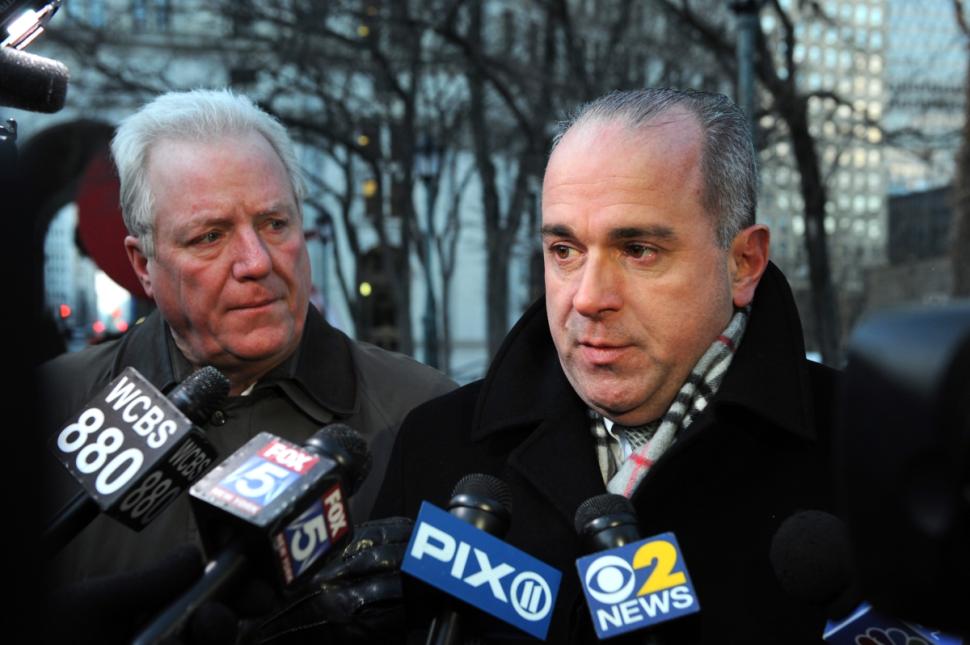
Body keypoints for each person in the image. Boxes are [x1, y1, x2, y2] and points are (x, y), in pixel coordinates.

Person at [372, 88, 838, 643]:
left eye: (638, 249)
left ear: (743, 263)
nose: (589, 298)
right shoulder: (438, 445)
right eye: (564, 251)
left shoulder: (865, 451)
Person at [39, 89, 455, 587]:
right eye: (210, 236)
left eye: (274, 223)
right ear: (144, 265)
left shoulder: (425, 415)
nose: (256, 262)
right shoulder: (47, 406)